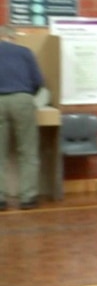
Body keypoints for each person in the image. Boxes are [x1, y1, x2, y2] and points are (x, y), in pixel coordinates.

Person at [0, 25, 45, 211]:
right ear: (13, 37)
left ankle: (0, 199)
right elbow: (39, 81)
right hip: (22, 99)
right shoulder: (24, 52)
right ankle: (28, 197)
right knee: (27, 151)